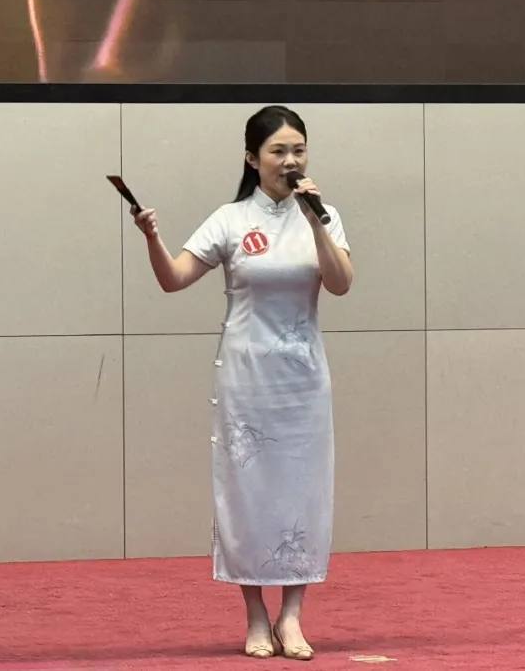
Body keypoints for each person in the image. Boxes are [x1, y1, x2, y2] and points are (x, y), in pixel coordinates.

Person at [132, 105, 353, 660]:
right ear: (253, 159)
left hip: (303, 380)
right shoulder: (230, 220)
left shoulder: (324, 215)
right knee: (248, 494)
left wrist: (315, 221)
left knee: (303, 491)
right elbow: (174, 279)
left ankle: (292, 617)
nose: (291, 160)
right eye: (278, 151)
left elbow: (341, 283)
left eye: (299, 149)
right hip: (246, 379)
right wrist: (152, 238)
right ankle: (255, 615)